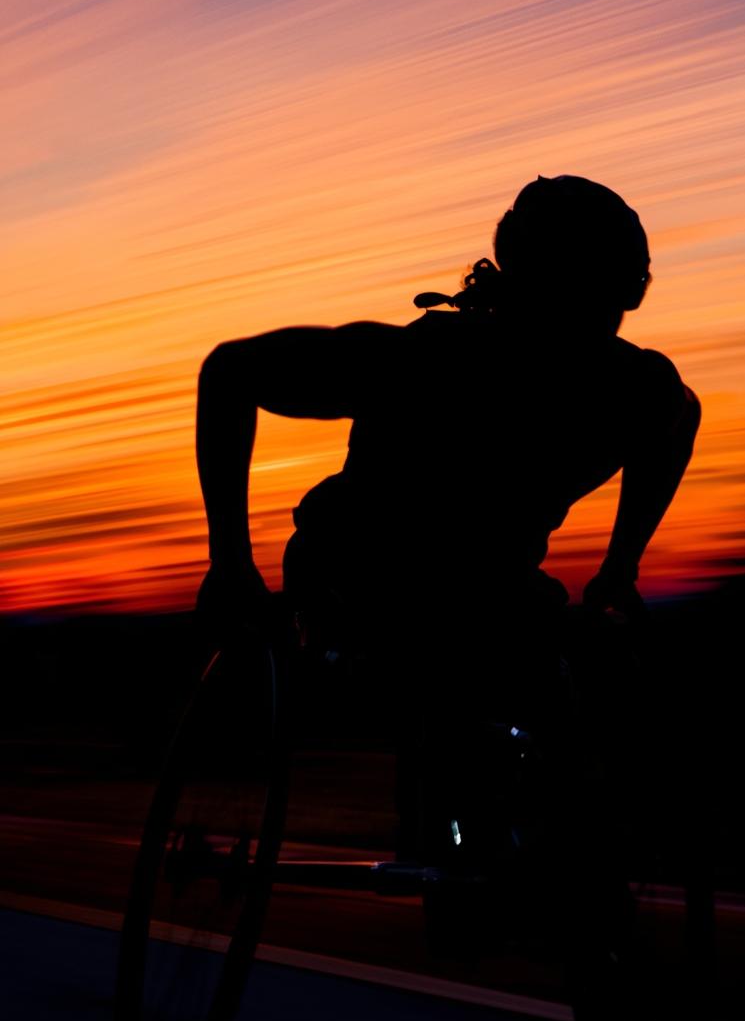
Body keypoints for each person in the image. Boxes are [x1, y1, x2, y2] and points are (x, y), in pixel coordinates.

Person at [195, 175, 700, 864]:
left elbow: (230, 372)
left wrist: (620, 564)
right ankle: (487, 836)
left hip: (490, 592)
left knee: (553, 665)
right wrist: (229, 564)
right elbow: (229, 372)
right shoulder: (435, 358)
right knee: (487, 653)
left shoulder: (633, 387)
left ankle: (532, 839)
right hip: (359, 583)